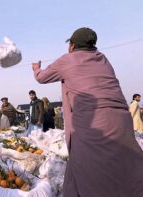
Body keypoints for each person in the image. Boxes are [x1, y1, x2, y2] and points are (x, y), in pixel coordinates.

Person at [32, 27, 143, 196]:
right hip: (121, 119)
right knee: (124, 165)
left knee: (91, 170)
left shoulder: (68, 60)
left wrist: (36, 68)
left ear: (72, 45)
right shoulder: (103, 59)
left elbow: (42, 78)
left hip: (92, 121)